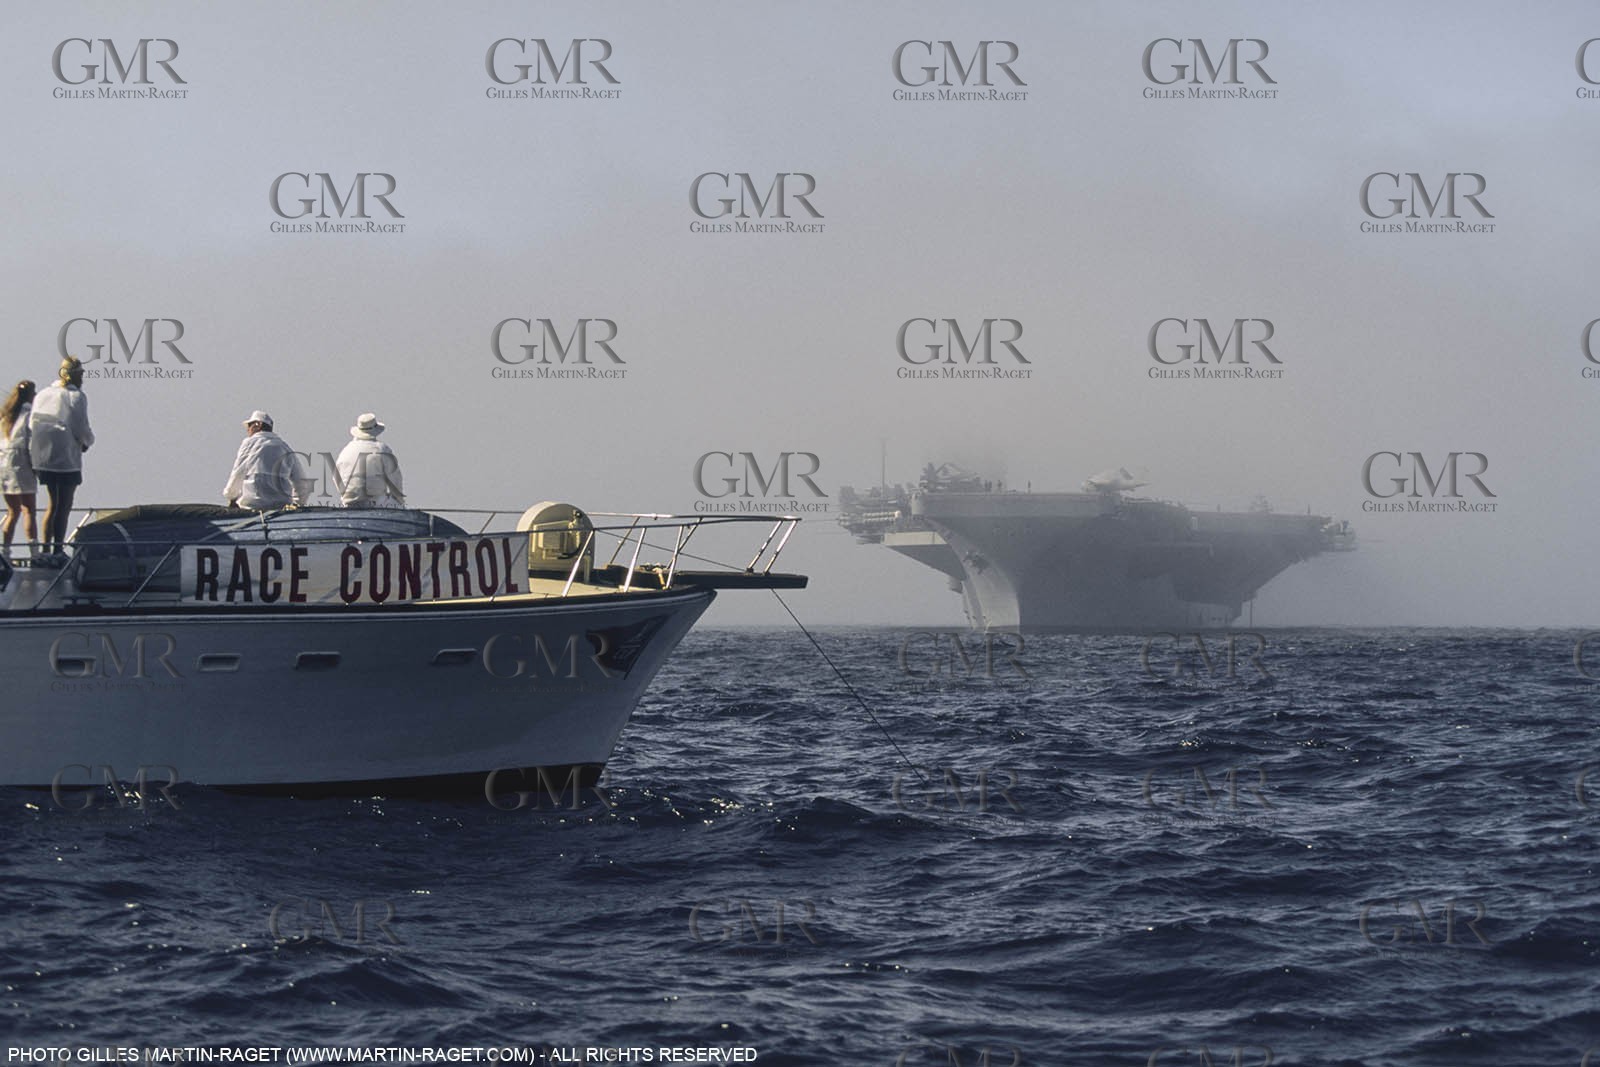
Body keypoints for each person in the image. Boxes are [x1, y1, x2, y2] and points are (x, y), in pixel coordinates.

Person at [29, 358, 94, 560]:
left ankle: (46, 549)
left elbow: (33, 423)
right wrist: (87, 442)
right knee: (64, 504)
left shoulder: (43, 395)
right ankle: (58, 549)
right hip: (66, 458)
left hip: (44, 458)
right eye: (81, 373)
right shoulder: (76, 396)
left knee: (52, 503)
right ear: (74, 374)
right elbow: (80, 426)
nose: (83, 377)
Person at [223, 410, 312, 511]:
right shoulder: (285, 448)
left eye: (249, 426)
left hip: (252, 506)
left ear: (258, 425)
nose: (248, 430)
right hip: (281, 506)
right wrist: (298, 503)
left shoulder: (249, 443)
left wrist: (231, 496)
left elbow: (238, 473)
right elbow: (302, 483)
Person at [335, 412, 405, 508]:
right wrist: (399, 501)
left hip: (349, 503)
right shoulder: (382, 449)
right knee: (398, 506)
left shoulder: (346, 450)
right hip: (376, 503)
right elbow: (395, 481)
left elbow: (336, 478)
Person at [1, 380, 38, 556]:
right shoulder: (28, 413)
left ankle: (6, 550)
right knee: (28, 509)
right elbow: (31, 440)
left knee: (12, 511)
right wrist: (36, 464)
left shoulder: (6, 415)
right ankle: (34, 551)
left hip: (4, 462)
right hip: (21, 460)